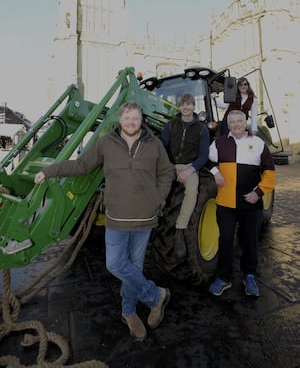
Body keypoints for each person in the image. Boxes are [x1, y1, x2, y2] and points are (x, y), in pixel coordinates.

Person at [34, 101, 175, 342]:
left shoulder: (154, 144)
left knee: (134, 268)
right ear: (120, 120)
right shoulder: (106, 143)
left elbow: (167, 173)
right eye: (127, 117)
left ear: (142, 119)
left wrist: (158, 199)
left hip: (144, 219)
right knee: (116, 264)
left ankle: (129, 312)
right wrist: (50, 171)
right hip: (117, 218)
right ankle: (156, 296)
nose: (131, 122)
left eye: (136, 118)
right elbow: (82, 165)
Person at [208, 109, 276, 297]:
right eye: (232, 122)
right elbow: (207, 160)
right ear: (228, 125)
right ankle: (224, 278)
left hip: (250, 203)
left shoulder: (258, 143)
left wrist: (258, 192)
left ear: (245, 122)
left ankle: (250, 275)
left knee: (250, 241)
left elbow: (270, 171)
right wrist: (216, 173)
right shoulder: (219, 143)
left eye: (239, 121)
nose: (236, 124)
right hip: (226, 203)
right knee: (226, 240)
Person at [161, 93, 210, 258]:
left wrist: (191, 170)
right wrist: (167, 167)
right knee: (155, 183)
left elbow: (204, 154)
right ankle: (154, 216)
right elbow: (162, 147)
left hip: (190, 167)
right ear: (179, 107)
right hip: (170, 165)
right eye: (183, 104)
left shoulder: (202, 129)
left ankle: (180, 229)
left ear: (193, 106)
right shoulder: (170, 125)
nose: (186, 107)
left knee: (192, 190)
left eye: (189, 104)